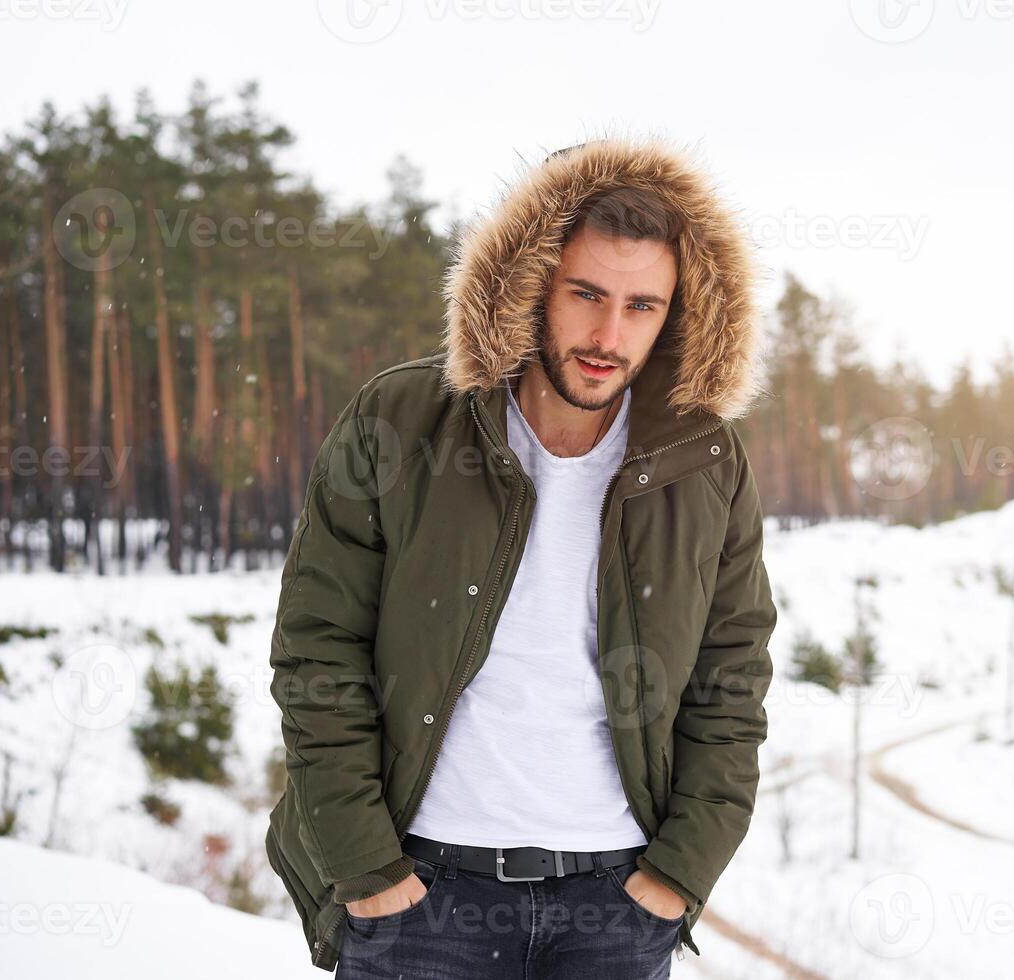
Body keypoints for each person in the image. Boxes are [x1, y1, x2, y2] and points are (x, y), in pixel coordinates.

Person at [264, 135, 778, 978]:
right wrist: (366, 868)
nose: (609, 334)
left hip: (616, 904)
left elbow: (734, 677)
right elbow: (318, 645)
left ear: (679, 312)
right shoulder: (401, 421)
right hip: (420, 893)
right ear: (529, 281)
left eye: (643, 306)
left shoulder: (704, 461)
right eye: (586, 294)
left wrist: (680, 872)